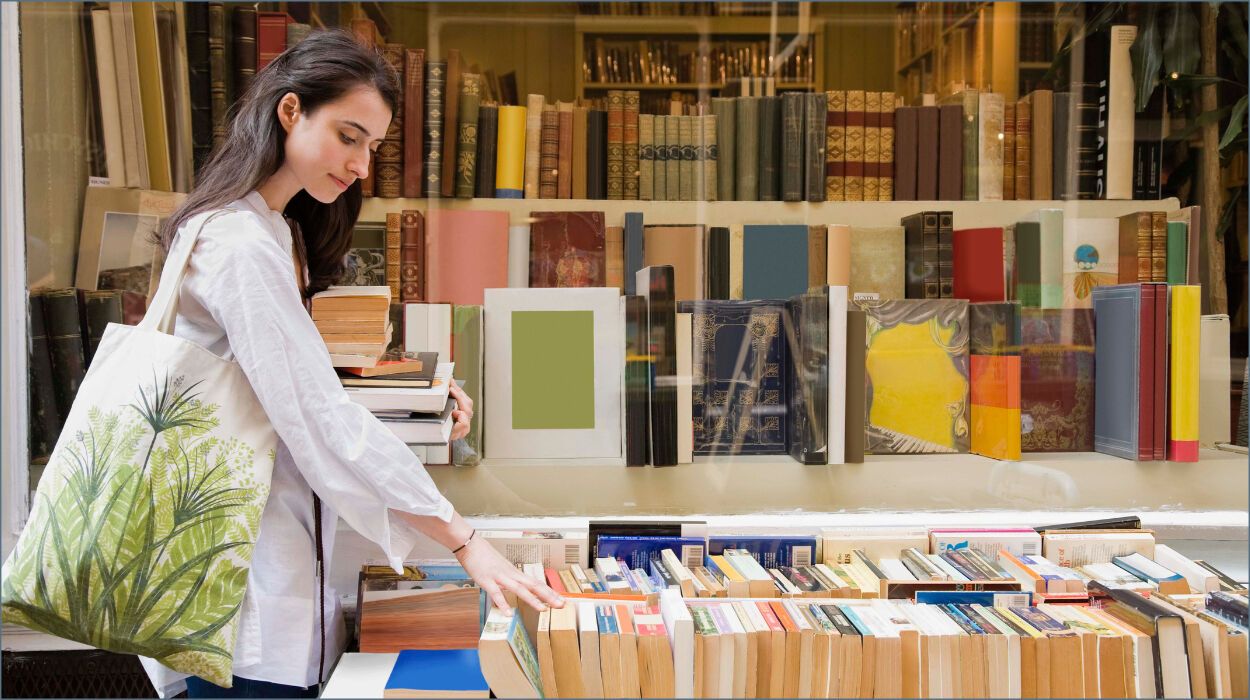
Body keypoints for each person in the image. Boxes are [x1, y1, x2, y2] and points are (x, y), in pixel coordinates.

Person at [140, 29, 564, 698]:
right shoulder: (241, 245)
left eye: (373, 146)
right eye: (349, 136)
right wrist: (464, 541)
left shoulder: (269, 231)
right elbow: (313, 416)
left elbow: (284, 389)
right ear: (289, 112)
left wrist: (418, 399)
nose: (362, 164)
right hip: (242, 614)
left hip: (257, 596)